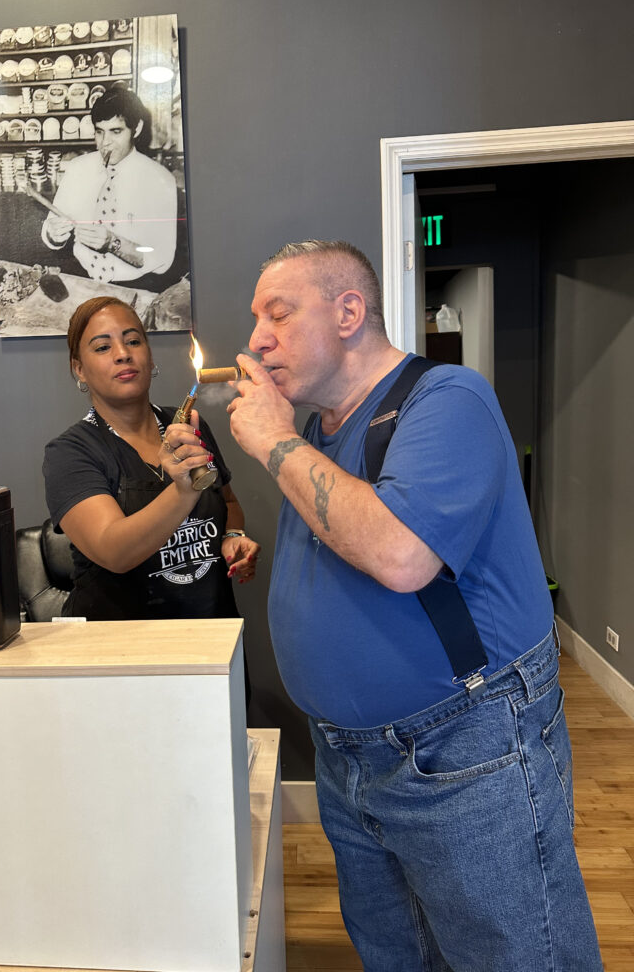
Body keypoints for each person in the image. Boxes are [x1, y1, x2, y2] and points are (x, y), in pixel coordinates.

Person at [227, 240, 602, 971]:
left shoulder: (449, 397)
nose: (256, 339)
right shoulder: (316, 435)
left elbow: (401, 555)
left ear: (348, 311)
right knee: (400, 956)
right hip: (349, 761)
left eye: (279, 313)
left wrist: (270, 440)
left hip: (464, 753)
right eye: (254, 320)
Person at [43, 296, 259, 627]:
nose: (123, 353)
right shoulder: (70, 453)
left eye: (133, 341)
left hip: (211, 637)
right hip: (125, 653)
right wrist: (184, 490)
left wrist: (232, 533)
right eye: (102, 348)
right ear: (79, 369)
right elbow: (115, 552)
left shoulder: (188, 426)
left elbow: (227, 501)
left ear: (149, 355)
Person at [41, 86, 177, 286]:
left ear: (136, 129)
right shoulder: (78, 168)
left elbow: (162, 259)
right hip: (81, 276)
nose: (105, 143)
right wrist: (54, 236)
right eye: (99, 132)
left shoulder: (160, 180)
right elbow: (50, 227)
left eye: (116, 131)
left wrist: (113, 243)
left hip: (135, 283)